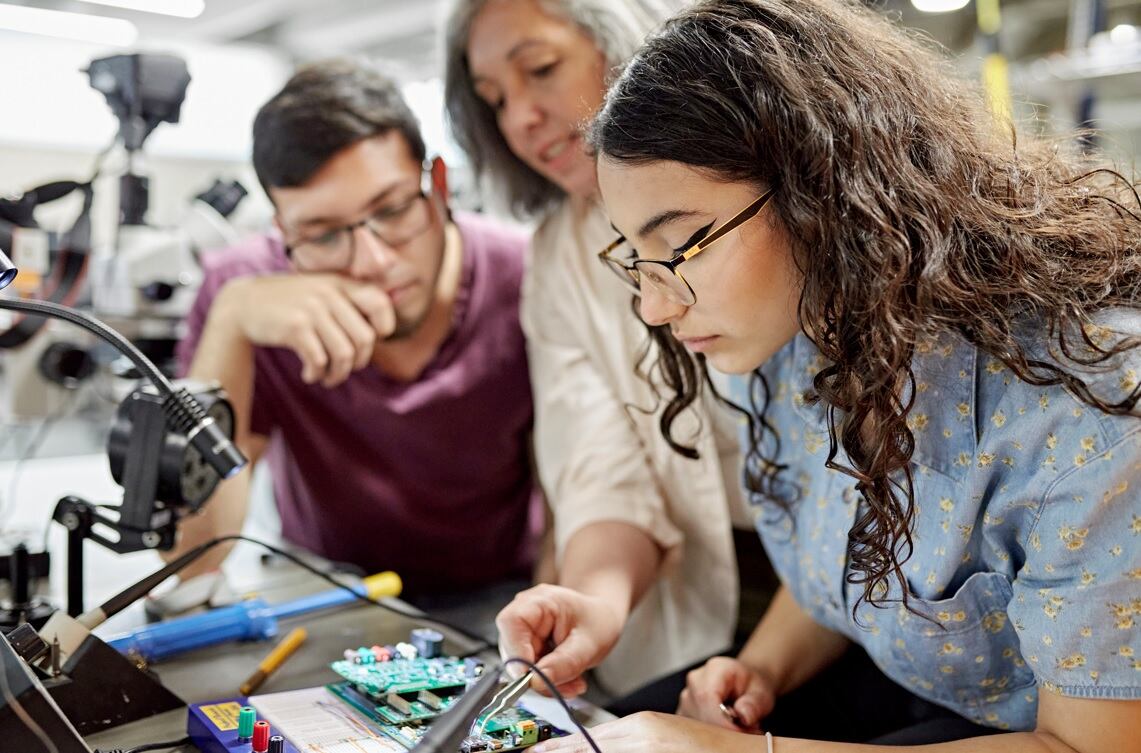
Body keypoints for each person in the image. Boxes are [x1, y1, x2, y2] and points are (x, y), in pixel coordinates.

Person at [527, 0, 1141, 750]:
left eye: (683, 243)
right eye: (634, 257)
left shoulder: (1092, 410)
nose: (654, 305)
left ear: (825, 190)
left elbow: (1088, 745)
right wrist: (760, 667)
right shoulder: (802, 333)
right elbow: (849, 557)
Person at [443, 0, 764, 697]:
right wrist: (594, 602)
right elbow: (599, 462)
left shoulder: (765, 195)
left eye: (541, 69)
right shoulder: (560, 256)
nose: (520, 117)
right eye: (494, 98)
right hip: (693, 591)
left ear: (630, 40)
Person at [169, 59, 542, 628]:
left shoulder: (527, 277)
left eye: (391, 210)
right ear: (282, 230)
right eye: (322, 235)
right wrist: (230, 323)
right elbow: (194, 555)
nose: (373, 262)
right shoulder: (244, 291)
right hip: (321, 591)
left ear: (438, 185)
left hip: (501, 598)